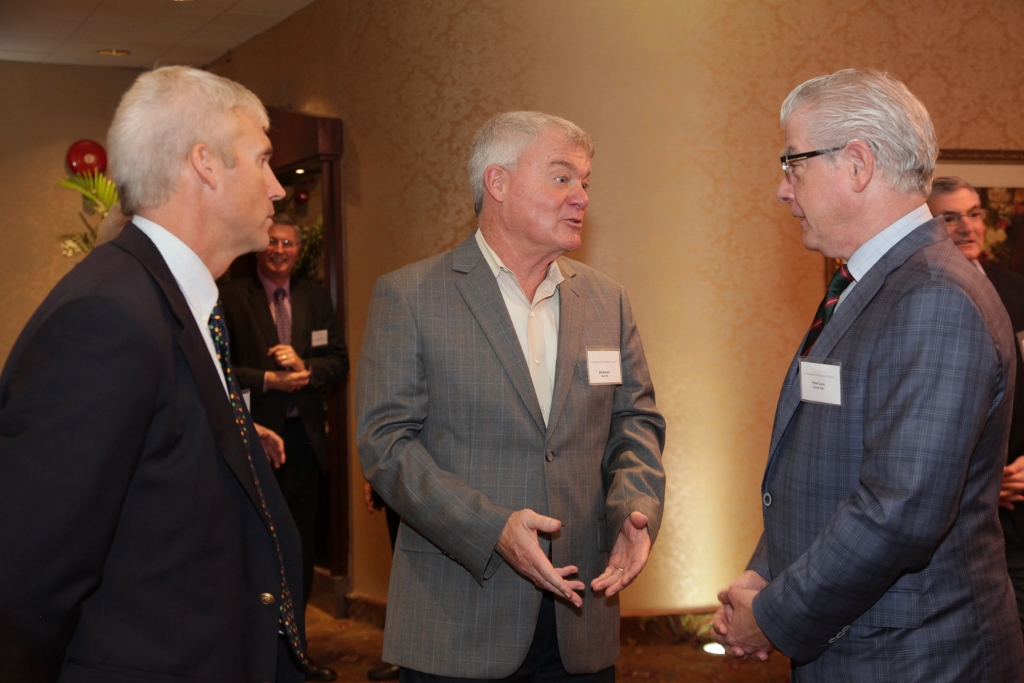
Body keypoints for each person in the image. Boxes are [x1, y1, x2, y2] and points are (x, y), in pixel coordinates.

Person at [712, 69, 1024, 681]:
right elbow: (826, 463)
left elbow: (900, 511)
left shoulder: (934, 296)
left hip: (913, 655)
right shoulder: (872, 282)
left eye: (793, 163)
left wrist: (773, 615)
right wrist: (765, 571)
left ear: (856, 165)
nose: (782, 190)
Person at [0, 66, 307, 682]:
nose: (277, 188)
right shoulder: (106, 317)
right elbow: (30, 576)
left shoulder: (171, 298)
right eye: (262, 160)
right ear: (205, 164)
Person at [356, 111, 666, 682]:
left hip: (582, 621)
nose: (581, 197)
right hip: (458, 620)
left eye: (585, 182)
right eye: (561, 177)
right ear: (497, 183)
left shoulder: (607, 300)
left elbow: (635, 423)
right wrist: (491, 528)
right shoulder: (411, 296)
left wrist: (634, 507)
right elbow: (386, 445)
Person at [220, 214, 349, 681]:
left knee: (298, 545)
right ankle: (252, 651)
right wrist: (269, 380)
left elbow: (339, 361)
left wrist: (307, 369)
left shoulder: (315, 296)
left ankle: (297, 651)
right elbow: (219, 367)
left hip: (305, 442)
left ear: (297, 249)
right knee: (254, 545)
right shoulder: (231, 296)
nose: (279, 250)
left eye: (288, 243)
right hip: (253, 439)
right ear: (261, 246)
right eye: (272, 241)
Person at [928, 176, 1024, 636]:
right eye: (950, 217)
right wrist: (982, 481)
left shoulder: (1018, 292)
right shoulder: (917, 298)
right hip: (952, 526)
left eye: (974, 214)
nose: (968, 227)